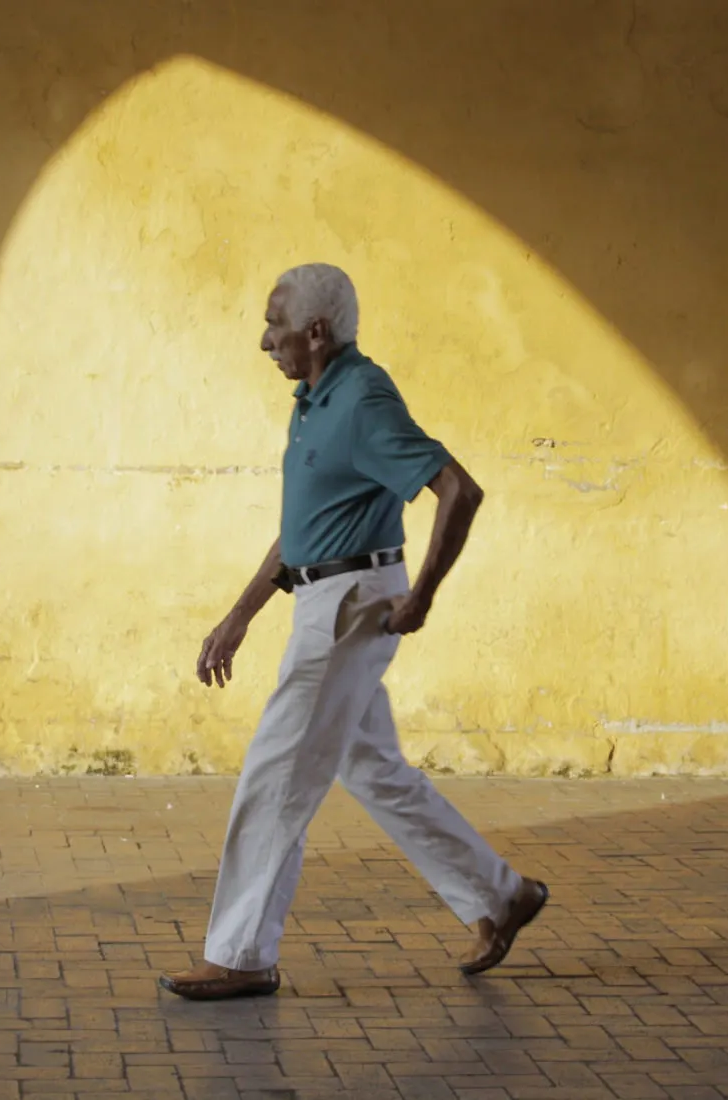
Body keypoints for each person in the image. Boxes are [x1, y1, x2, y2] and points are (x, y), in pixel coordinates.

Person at [158, 263, 549, 1002]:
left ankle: (241, 954)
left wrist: (424, 596)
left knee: (277, 775)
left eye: (274, 324)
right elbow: (301, 531)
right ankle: (501, 898)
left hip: (349, 605)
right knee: (373, 769)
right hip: (325, 593)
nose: (263, 341)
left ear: (316, 331)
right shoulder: (312, 402)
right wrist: (239, 616)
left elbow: (458, 489)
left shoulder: (363, 398)